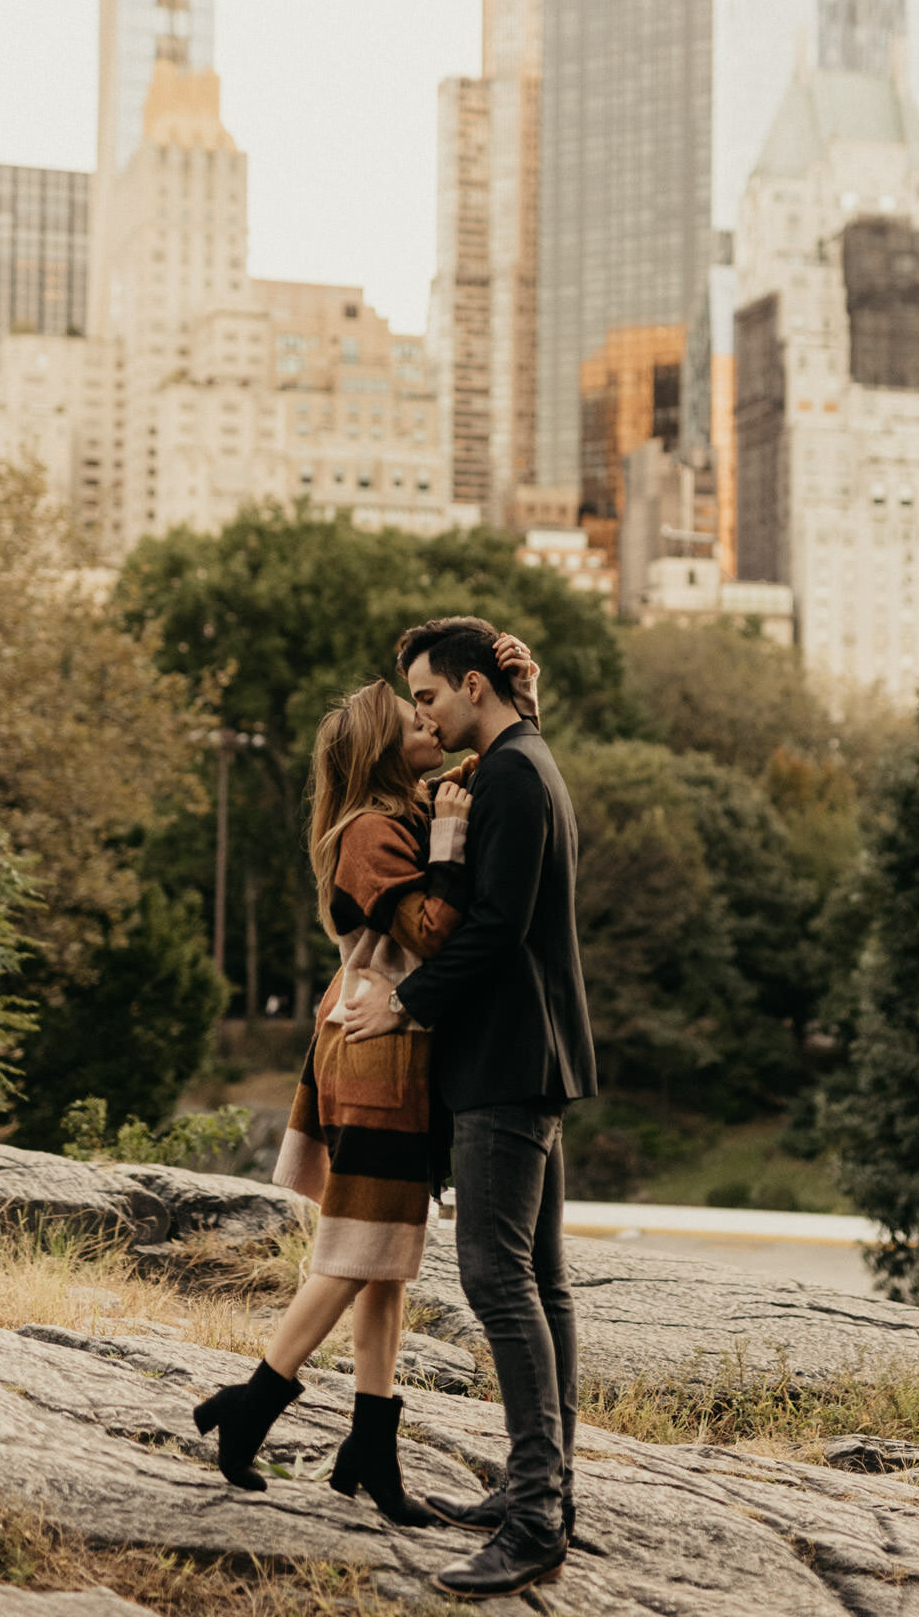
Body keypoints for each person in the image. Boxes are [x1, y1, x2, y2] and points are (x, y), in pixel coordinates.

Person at [192, 638, 535, 1516]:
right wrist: (453, 839)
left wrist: (523, 696)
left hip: (396, 1048)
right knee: (354, 1252)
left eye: (431, 704)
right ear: (385, 748)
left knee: (388, 1262)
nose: (429, 718)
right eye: (411, 714)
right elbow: (430, 931)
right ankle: (254, 1402)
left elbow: (497, 749)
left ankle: (373, 1447)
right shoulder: (371, 832)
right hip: (374, 1047)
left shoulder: (414, 804)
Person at [346, 616, 596, 1601]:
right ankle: (543, 1493)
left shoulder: (510, 776)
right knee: (542, 1283)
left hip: (505, 1060)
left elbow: (494, 928)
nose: (424, 713)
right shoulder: (522, 764)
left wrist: (403, 1005)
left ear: (473, 689)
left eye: (430, 696)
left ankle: (535, 1518)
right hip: (530, 1055)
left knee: (499, 1282)